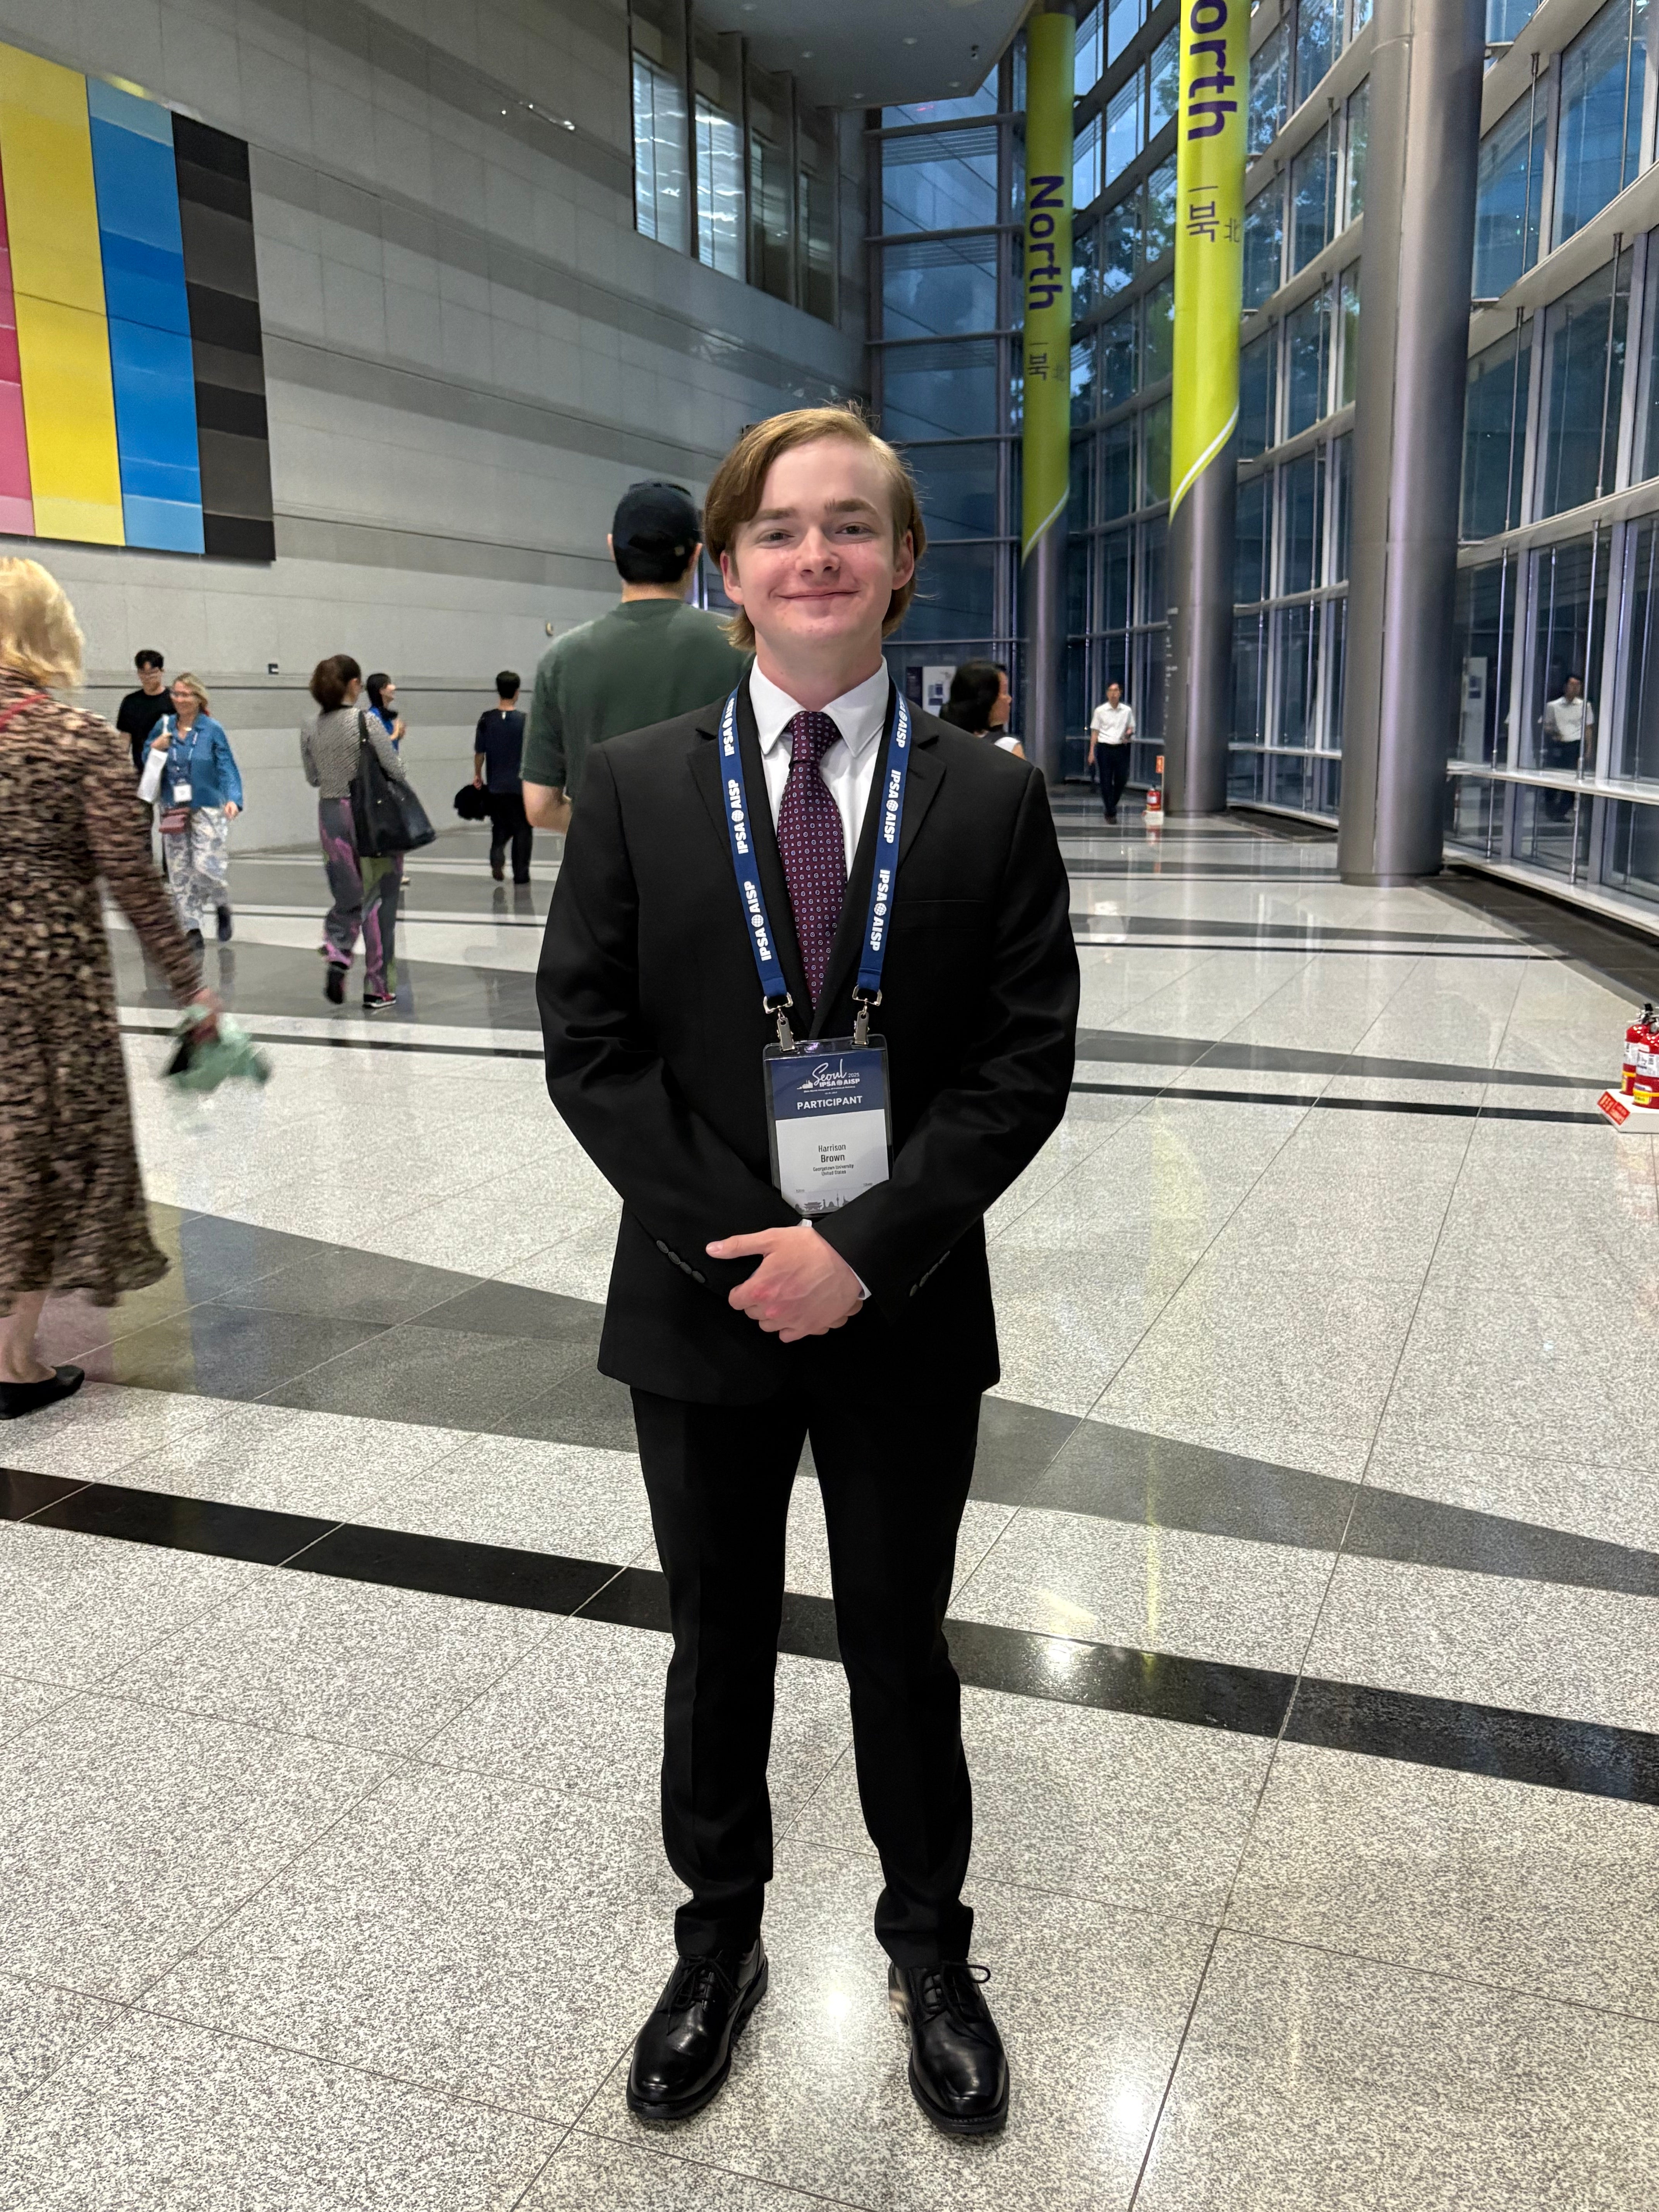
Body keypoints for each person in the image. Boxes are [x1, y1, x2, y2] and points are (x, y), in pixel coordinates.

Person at [538, 405, 1079, 2139]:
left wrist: (859, 1252)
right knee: (715, 1640)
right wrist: (744, 1251)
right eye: (780, 529)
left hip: (903, 1307)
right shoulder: (636, 787)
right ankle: (717, 1944)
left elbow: (1022, 1059)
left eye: (854, 525)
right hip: (699, 1311)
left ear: (904, 561)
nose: (817, 554)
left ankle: (927, 1945)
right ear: (729, 566)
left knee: (898, 1642)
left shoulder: (986, 797)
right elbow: (592, 1046)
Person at [0, 560, 215, 1418]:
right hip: (47, 989)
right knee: (40, 1154)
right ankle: (14, 1361)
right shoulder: (76, 737)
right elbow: (131, 875)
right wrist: (192, 988)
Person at [521, 479, 749, 826]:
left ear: (614, 550)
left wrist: (610, 833)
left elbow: (539, 806)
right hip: (718, 872)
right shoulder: (743, 648)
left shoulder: (562, 660)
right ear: (696, 556)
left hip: (604, 875)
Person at [301, 654, 408, 1010]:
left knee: (347, 896)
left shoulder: (310, 726)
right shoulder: (366, 722)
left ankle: (338, 953)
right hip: (369, 818)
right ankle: (378, 987)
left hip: (330, 815)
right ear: (352, 686)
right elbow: (395, 770)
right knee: (379, 900)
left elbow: (314, 777)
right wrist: (395, 740)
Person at [143, 673, 242, 951]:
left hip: (207, 804)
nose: (180, 699)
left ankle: (221, 902)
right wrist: (154, 748)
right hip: (173, 806)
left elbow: (226, 766)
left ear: (199, 698)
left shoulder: (212, 729)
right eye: (176, 694)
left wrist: (233, 798)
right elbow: (145, 758)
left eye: (186, 695)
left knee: (206, 865)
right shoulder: (163, 726)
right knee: (179, 870)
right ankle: (192, 927)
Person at [474, 670, 532, 883]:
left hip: (496, 786)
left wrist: (478, 775)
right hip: (520, 786)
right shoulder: (526, 721)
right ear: (517, 692)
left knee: (499, 825)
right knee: (523, 829)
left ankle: (497, 856)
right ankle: (521, 873)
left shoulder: (486, 719)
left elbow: (480, 752)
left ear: (498, 691)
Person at [939, 661, 1023, 756]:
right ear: (986, 698)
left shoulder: (941, 744)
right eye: (1004, 692)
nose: (1009, 699)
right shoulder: (1007, 749)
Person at [115, 647, 170, 776]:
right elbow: (125, 738)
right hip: (142, 770)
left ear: (162, 672)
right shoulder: (130, 702)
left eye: (152, 673)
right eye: (143, 673)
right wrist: (119, 767)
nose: (148, 677)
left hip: (170, 769)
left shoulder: (173, 700)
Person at [1087, 679, 1135, 824]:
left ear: (1120, 693)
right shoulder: (1100, 711)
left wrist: (1128, 733)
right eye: (1111, 691)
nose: (1113, 694)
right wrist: (1091, 752)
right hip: (1104, 748)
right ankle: (1110, 812)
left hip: (1121, 747)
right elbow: (1095, 732)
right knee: (1106, 780)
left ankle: (1111, 805)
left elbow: (1131, 727)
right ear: (1107, 694)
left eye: (1116, 691)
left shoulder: (1127, 711)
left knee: (1122, 779)